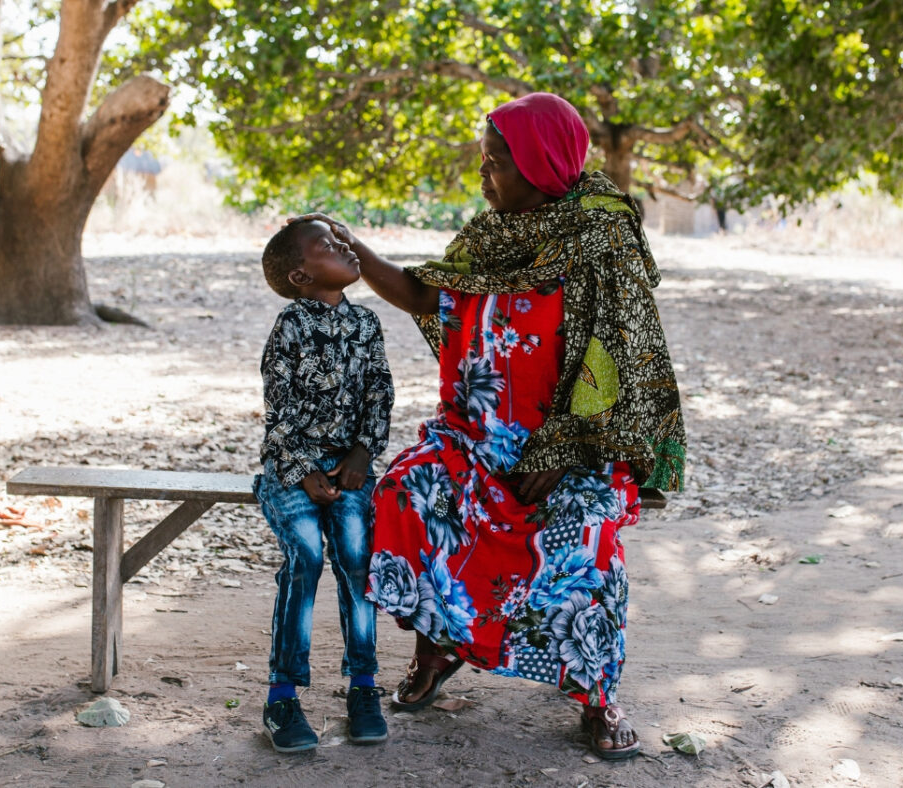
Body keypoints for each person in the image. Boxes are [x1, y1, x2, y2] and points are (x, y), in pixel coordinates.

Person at [294, 92, 686, 760]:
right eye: (485, 159)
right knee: (407, 496)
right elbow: (428, 294)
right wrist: (357, 252)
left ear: (540, 162)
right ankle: (438, 650)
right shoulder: (489, 234)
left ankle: (595, 692)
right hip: (474, 437)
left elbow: (622, 354)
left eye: (497, 161)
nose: (485, 174)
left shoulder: (600, 237)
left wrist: (562, 450)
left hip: (572, 447)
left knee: (583, 534)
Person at [253, 219, 396, 752]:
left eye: (340, 240)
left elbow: (380, 394)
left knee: (358, 559)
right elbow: (279, 412)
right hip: (292, 467)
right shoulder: (290, 325)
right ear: (301, 275)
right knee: (307, 558)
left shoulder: (367, 323)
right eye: (326, 246)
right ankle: (282, 696)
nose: (343, 247)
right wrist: (303, 471)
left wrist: (362, 452)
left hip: (350, 466)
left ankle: (363, 687)